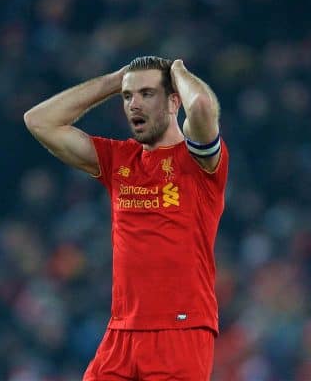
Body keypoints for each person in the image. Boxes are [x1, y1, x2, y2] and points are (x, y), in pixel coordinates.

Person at [24, 56, 228, 381]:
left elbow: (202, 105)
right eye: (128, 96)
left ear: (174, 99)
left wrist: (176, 71)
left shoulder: (198, 162)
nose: (134, 105)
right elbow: (39, 121)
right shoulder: (119, 159)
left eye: (147, 94)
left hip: (180, 330)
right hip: (121, 333)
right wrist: (114, 81)